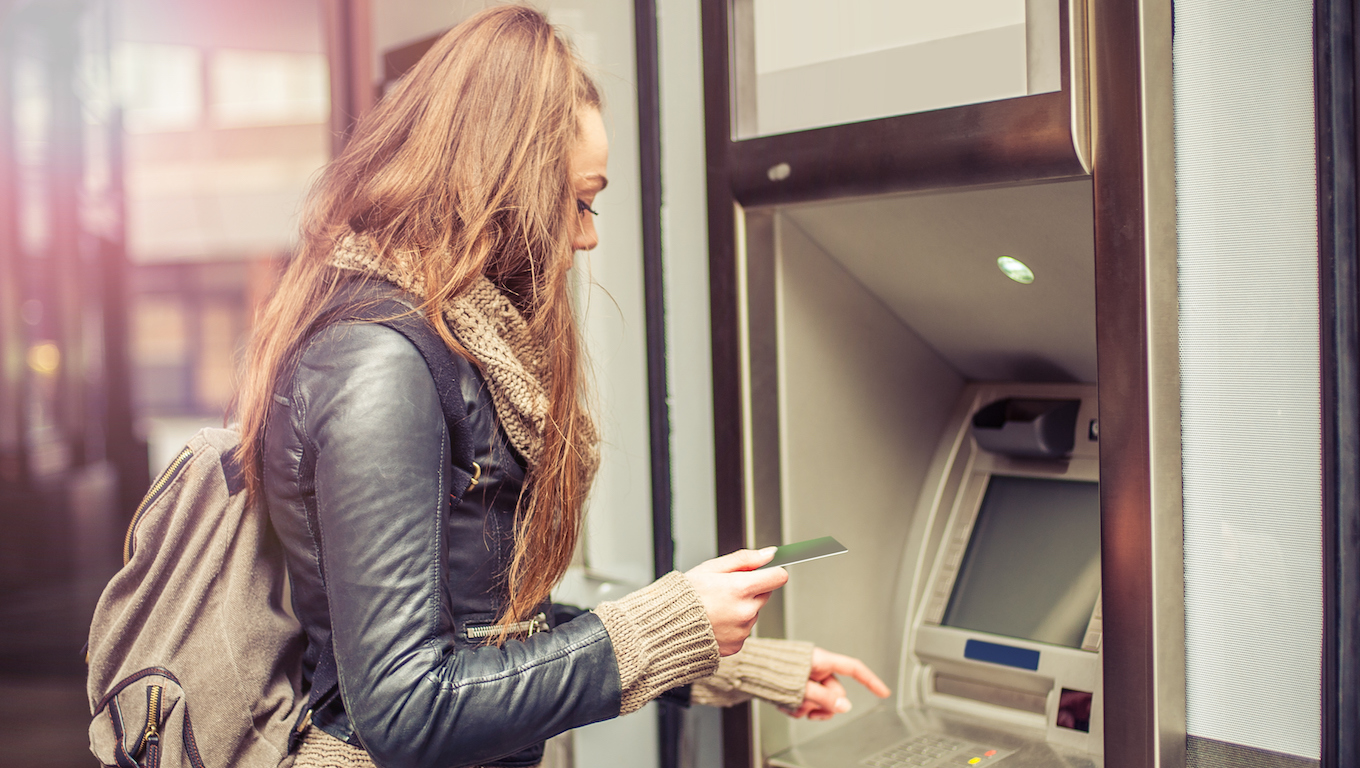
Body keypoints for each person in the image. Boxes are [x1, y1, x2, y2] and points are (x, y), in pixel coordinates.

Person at [232, 6, 889, 767]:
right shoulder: (381, 364)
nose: (588, 234)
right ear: (501, 185)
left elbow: (487, 632)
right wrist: (668, 623)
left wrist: (731, 660)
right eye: (580, 201)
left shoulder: (439, 347)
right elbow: (407, 709)